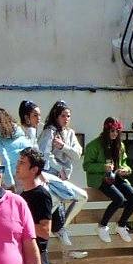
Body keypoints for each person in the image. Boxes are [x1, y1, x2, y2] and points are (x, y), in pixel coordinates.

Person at [36, 101, 88, 252]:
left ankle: (61, 228)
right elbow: (44, 155)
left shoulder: (70, 133)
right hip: (50, 176)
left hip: (64, 177)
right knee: (57, 201)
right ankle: (45, 229)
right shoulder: (49, 132)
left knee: (78, 198)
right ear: (56, 116)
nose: (66, 119)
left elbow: (77, 154)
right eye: (63, 116)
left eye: (68, 116)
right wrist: (59, 169)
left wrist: (63, 146)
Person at [83, 117, 133, 244]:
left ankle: (121, 225)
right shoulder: (94, 145)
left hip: (116, 177)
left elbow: (126, 164)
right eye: (112, 131)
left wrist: (125, 170)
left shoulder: (120, 145)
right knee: (119, 199)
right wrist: (103, 167)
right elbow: (86, 166)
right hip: (100, 178)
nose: (114, 134)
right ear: (106, 130)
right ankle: (102, 226)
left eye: (117, 131)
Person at [0, 108, 32, 192]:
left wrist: (9, 184)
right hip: (29, 174)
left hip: (13, 176)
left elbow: (3, 161)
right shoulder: (22, 135)